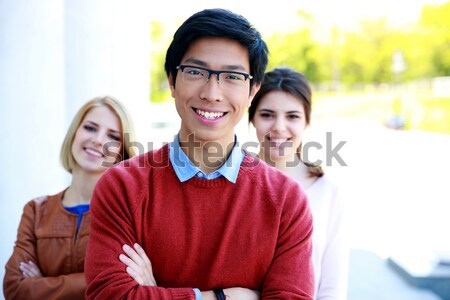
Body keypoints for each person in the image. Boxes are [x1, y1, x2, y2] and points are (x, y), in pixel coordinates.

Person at [84, 8, 315, 300]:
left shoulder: (286, 202)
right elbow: (110, 296)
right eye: (195, 72)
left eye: (232, 76)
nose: (212, 92)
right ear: (171, 80)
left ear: (253, 90)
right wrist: (216, 297)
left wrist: (155, 293)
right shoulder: (121, 187)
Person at [3, 95, 138, 300]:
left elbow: (123, 286)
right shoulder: (36, 210)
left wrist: (39, 285)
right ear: (74, 133)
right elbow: (14, 287)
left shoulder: (129, 215)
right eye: (90, 128)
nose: (98, 140)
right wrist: (96, 282)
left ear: (122, 152)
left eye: (113, 136)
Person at [248, 67, 349, 300]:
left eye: (292, 116)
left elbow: (332, 287)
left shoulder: (328, 191)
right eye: (267, 114)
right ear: (252, 118)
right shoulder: (232, 182)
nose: (279, 127)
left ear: (307, 121)